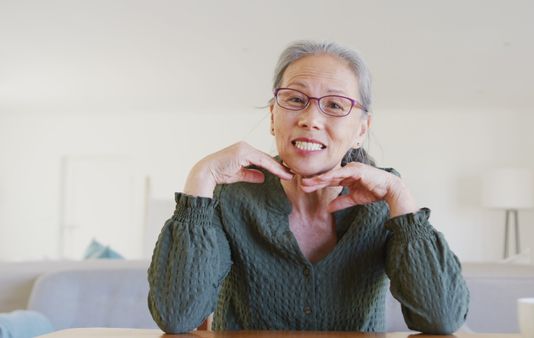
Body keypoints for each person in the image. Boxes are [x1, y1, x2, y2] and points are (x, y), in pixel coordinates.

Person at [147, 40, 469, 334]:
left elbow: (442, 318)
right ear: (273, 116)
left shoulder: (384, 199)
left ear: (361, 130)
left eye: (334, 105)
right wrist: (200, 177)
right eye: (296, 100)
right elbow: (177, 316)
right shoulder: (231, 195)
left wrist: (401, 197)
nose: (311, 119)